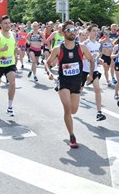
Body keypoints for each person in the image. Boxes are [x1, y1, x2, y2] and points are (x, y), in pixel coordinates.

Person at [45, 20, 94, 148]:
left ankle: (69, 123)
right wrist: (49, 72)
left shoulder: (81, 47)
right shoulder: (58, 49)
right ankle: (72, 136)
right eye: (70, 30)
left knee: (74, 110)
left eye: (74, 30)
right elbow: (47, 62)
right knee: (67, 108)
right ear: (64, 32)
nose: (73, 32)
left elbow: (91, 59)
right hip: (64, 82)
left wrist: (91, 74)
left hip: (76, 82)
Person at [81, 24, 106, 121]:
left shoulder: (98, 44)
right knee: (79, 91)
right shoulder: (85, 44)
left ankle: (99, 112)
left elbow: (97, 57)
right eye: (94, 31)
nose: (96, 33)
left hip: (94, 70)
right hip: (84, 71)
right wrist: (91, 56)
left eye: (97, 31)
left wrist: (99, 60)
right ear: (88, 32)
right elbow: (80, 58)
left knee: (98, 89)